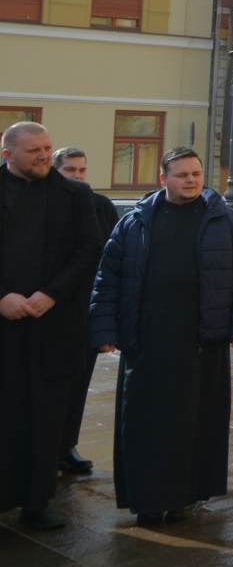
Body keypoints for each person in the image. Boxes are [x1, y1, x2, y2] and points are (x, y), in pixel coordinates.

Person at [88, 147, 233, 522]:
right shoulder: (134, 222)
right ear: (163, 178)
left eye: (196, 173)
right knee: (145, 424)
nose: (191, 180)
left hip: (202, 340)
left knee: (196, 423)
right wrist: (104, 329)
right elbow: (108, 278)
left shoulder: (226, 221)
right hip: (146, 339)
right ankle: (147, 500)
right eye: (182, 174)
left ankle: (187, 495)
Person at [0, 122, 102, 530]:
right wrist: (2, 297)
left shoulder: (75, 194)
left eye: (47, 148)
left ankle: (36, 501)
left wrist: (52, 294)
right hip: (3, 323)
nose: (44, 156)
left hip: (52, 323)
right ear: (7, 155)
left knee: (45, 417)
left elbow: (89, 248)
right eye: (33, 151)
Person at [53, 146, 120, 476]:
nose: (78, 176)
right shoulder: (45, 203)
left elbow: (113, 258)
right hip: (48, 309)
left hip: (86, 311)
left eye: (81, 169)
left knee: (78, 385)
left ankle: (66, 447)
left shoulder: (101, 206)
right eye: (70, 170)